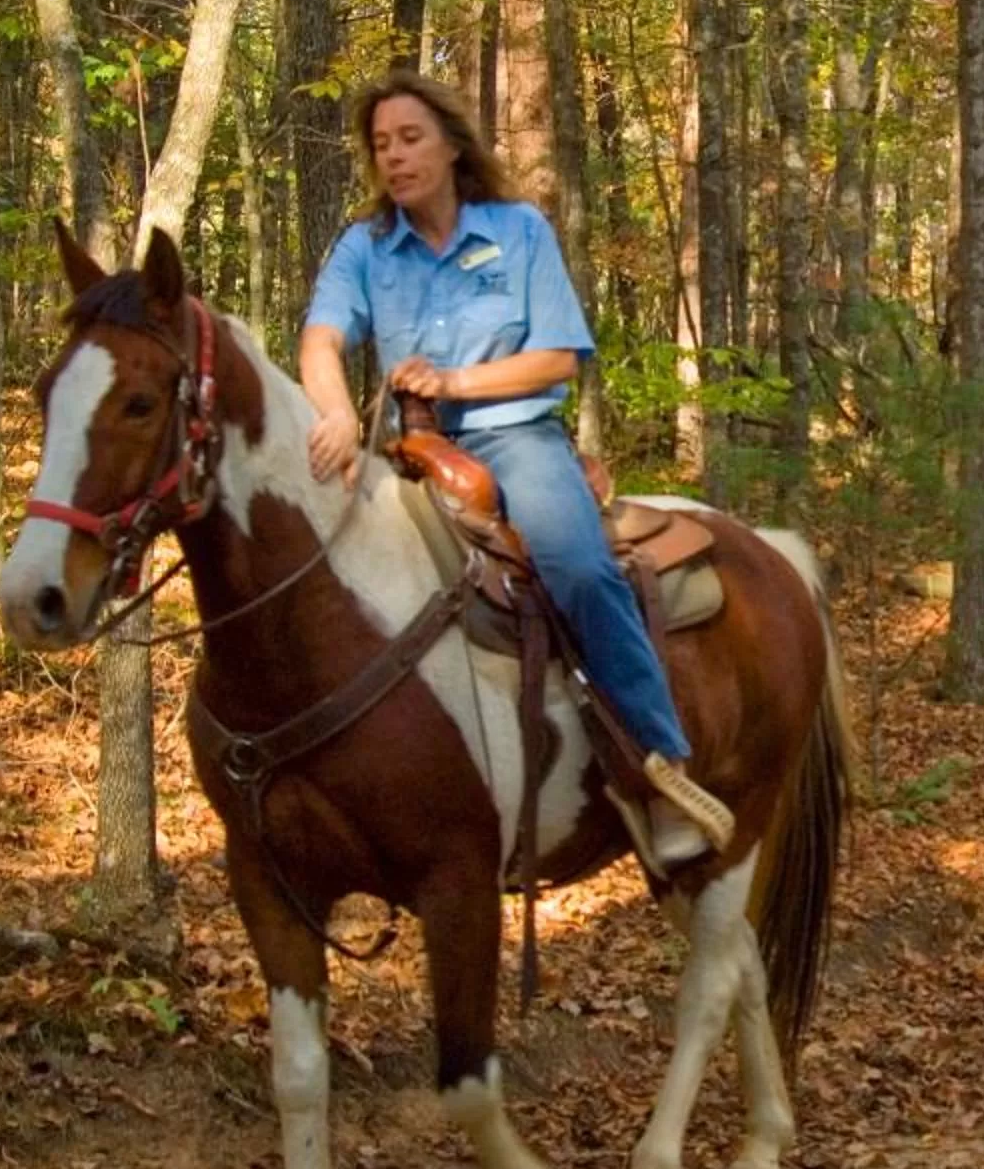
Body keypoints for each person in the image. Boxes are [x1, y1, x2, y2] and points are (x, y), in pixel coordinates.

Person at [300, 68, 732, 856]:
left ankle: (658, 763)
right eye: (381, 144)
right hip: (412, 451)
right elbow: (322, 338)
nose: (393, 157)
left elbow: (559, 359)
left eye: (410, 138)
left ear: (452, 145)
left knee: (577, 568)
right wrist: (332, 410)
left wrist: (456, 379)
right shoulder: (365, 248)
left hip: (513, 438)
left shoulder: (518, 231)